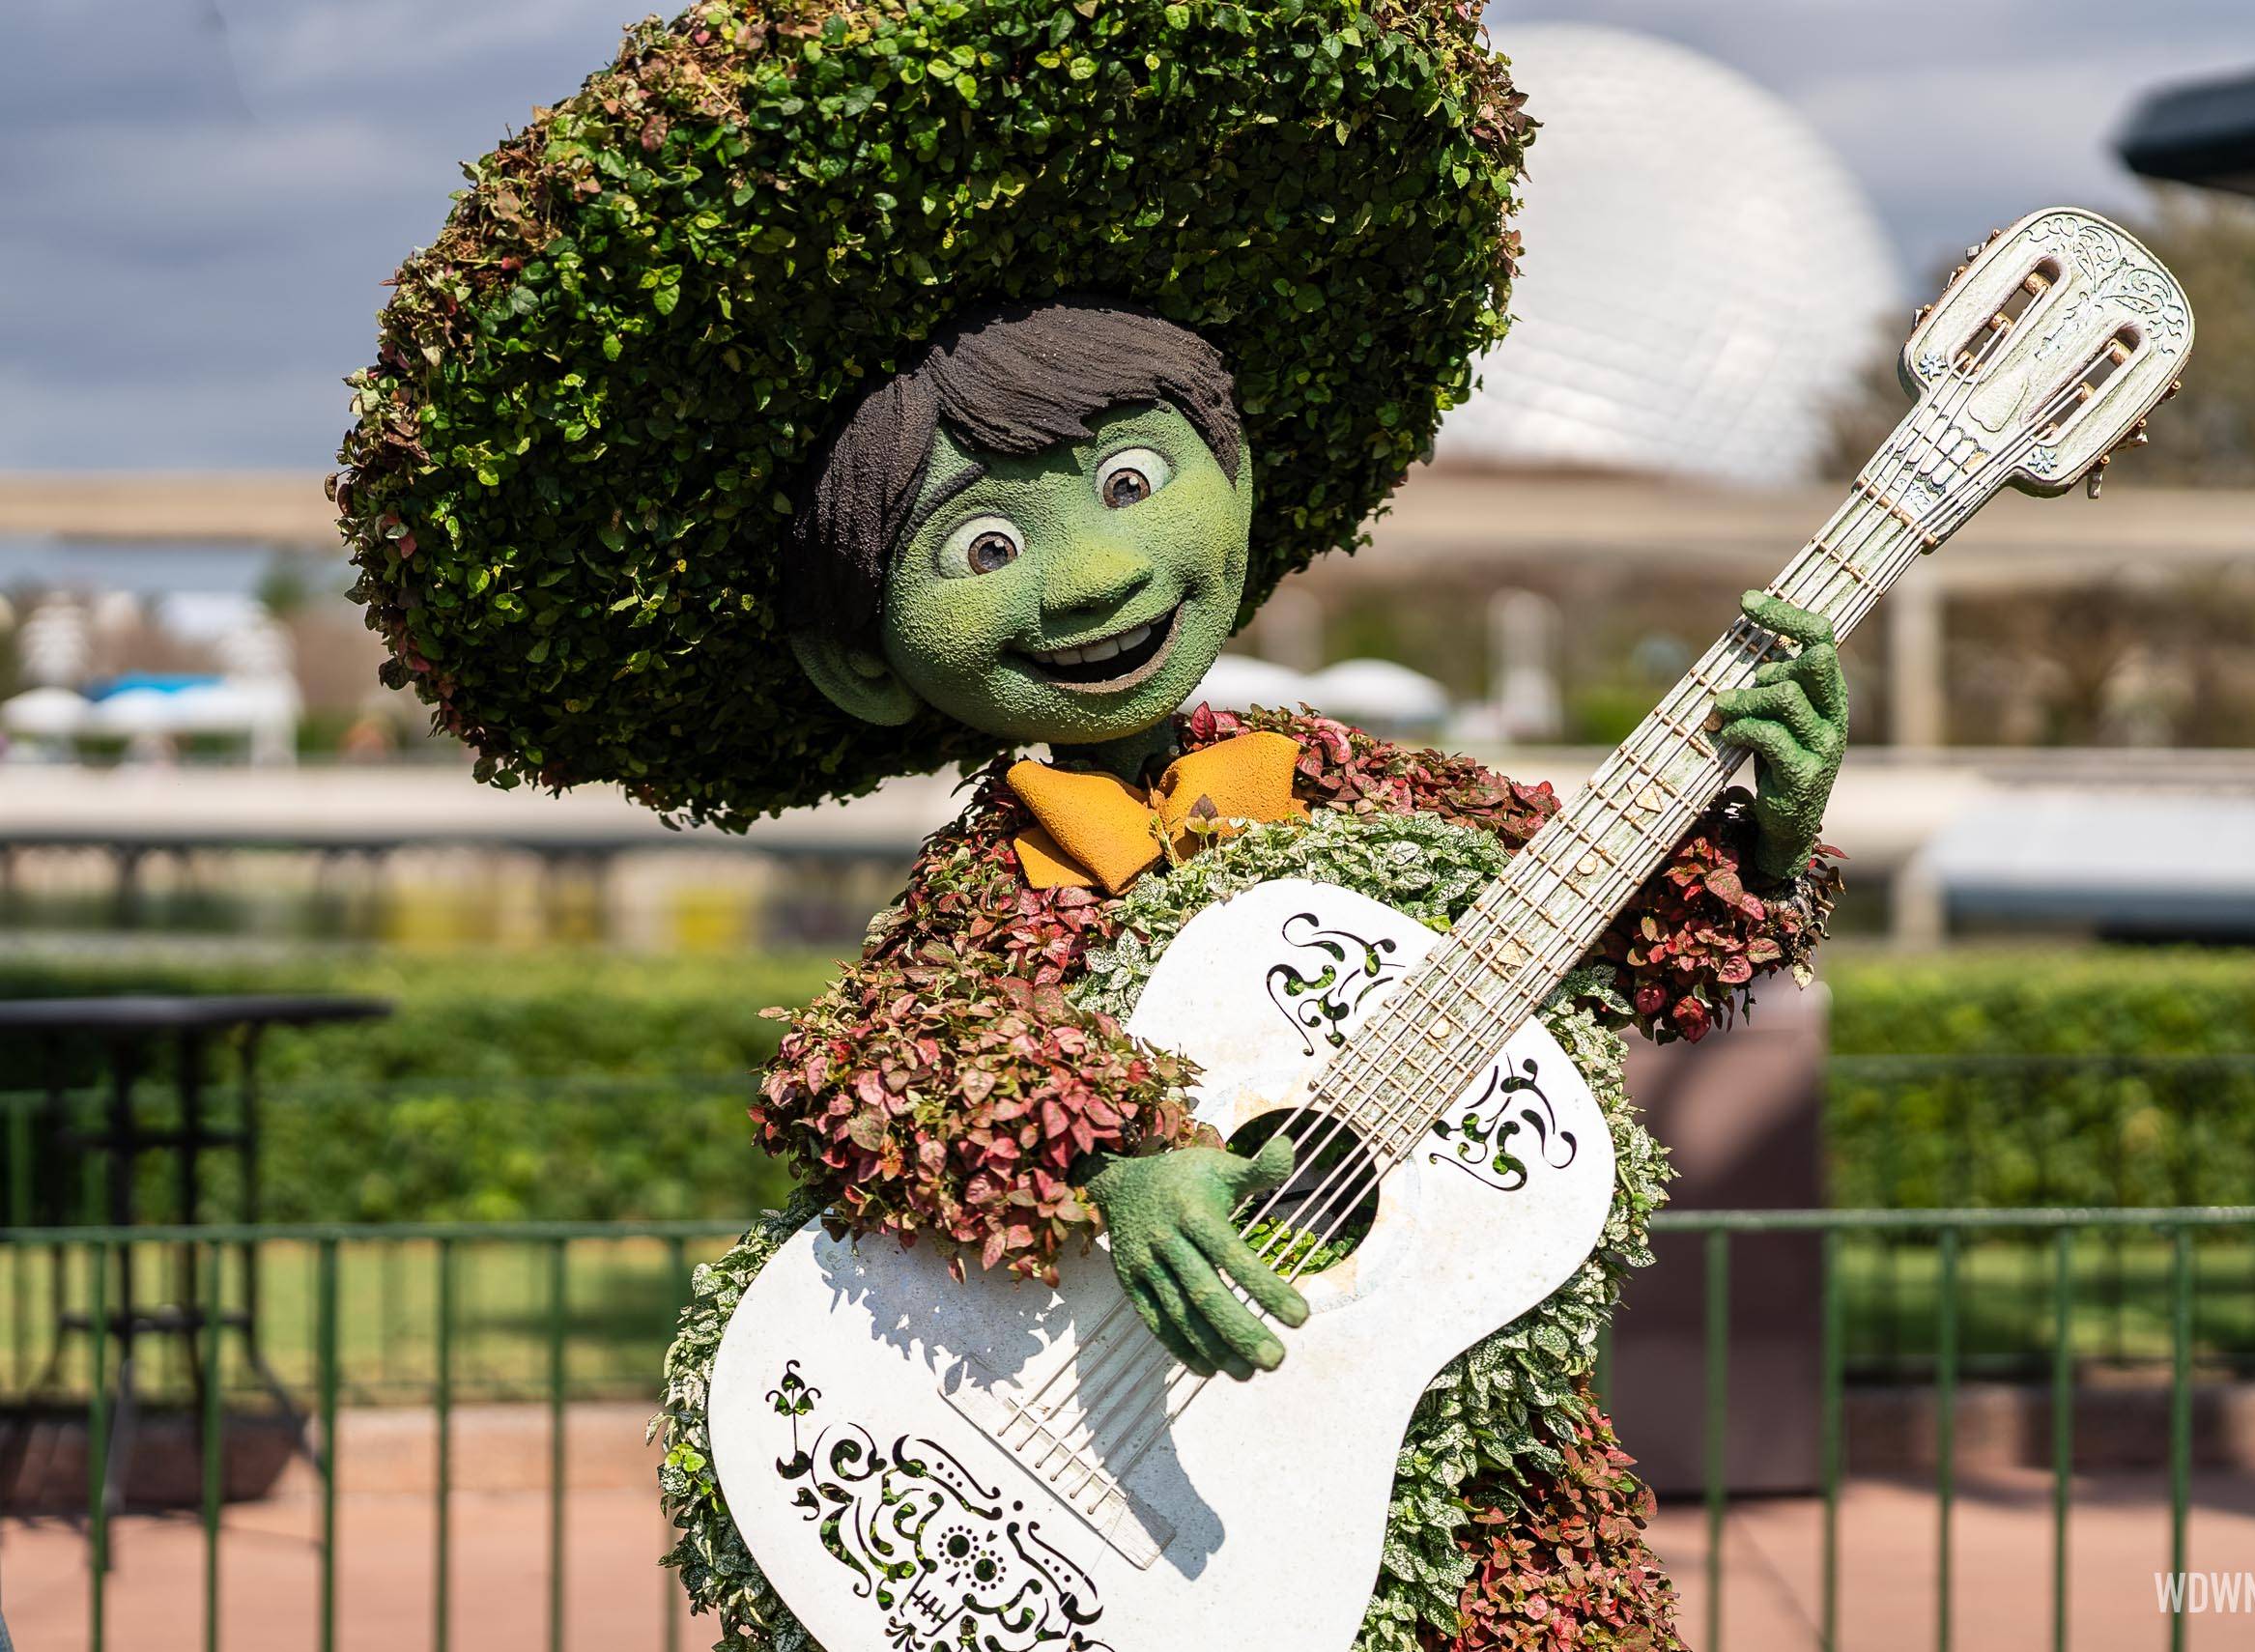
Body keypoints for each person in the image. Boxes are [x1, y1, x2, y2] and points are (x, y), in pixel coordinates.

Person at [335, 7, 1845, 1645]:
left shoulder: (1359, 786)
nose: (1091, 578)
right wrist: (1115, 1166)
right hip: (1126, 1486)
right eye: (980, 546)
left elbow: (1605, 939)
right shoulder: (995, 892)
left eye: (1131, 485)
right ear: (861, 657)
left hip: (1472, 1509)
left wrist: (1759, 837)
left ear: (1239, 475)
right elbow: (873, 1070)